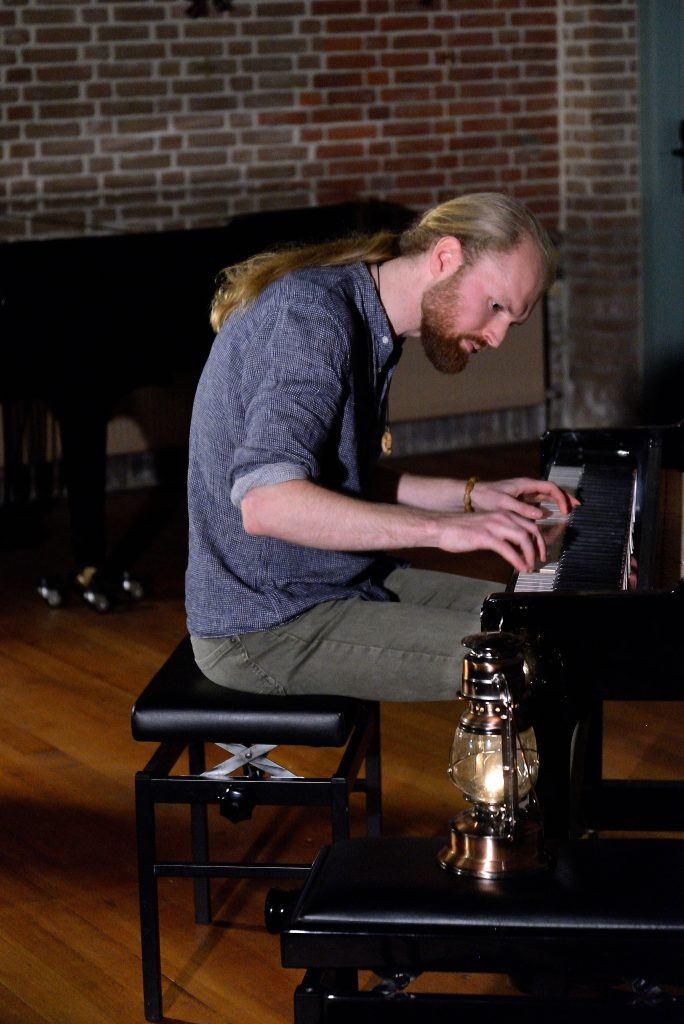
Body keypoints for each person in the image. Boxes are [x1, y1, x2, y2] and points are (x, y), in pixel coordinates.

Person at [185, 192, 575, 701]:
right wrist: (444, 530)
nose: (499, 336)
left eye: (511, 321)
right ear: (445, 257)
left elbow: (342, 479)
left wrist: (473, 497)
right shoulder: (311, 317)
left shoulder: (366, 319)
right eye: (496, 307)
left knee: (555, 625)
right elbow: (268, 503)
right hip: (266, 623)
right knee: (529, 659)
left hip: (340, 582)